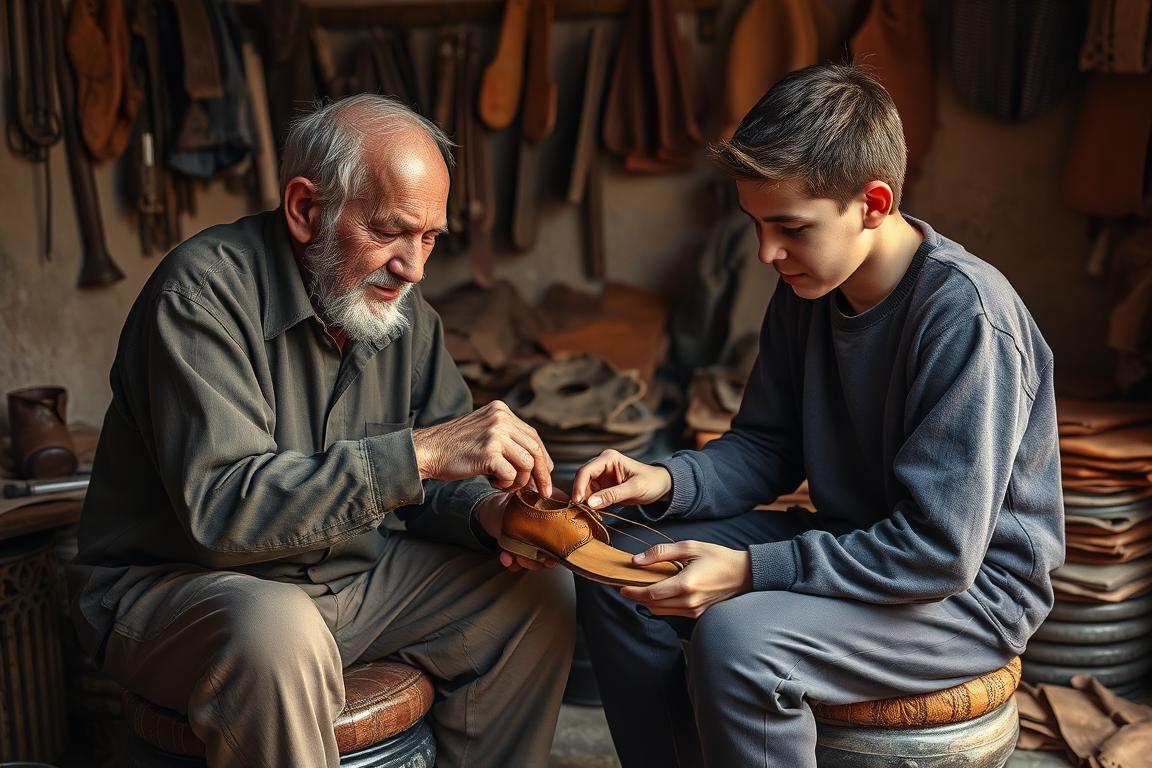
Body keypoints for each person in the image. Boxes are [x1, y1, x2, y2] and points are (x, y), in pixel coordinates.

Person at [570, 63, 1064, 767]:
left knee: (739, 641)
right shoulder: (809, 290)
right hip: (854, 542)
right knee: (619, 563)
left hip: (964, 596)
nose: (768, 252)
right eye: (757, 226)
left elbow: (939, 550)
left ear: (874, 202)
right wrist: (665, 482)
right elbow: (768, 447)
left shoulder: (968, 318)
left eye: (790, 227)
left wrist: (749, 570)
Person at [67, 94, 574, 768]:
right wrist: (419, 454)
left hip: (350, 581)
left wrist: (494, 513)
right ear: (307, 210)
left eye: (429, 238)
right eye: (392, 230)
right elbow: (222, 512)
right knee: (279, 632)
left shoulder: (403, 311)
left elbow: (437, 483)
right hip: (185, 594)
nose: (414, 267)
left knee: (536, 593)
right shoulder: (200, 296)